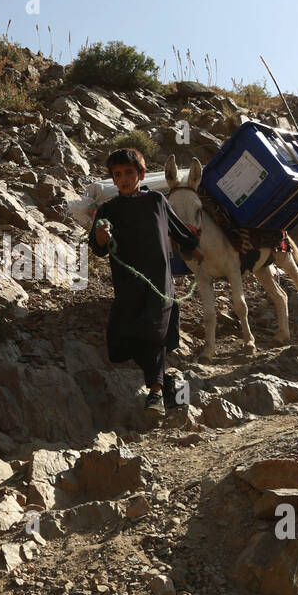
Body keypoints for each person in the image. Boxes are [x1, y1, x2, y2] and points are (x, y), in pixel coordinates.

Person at [88, 148, 201, 418]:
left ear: (140, 173)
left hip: (159, 284)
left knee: (153, 334)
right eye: (118, 175)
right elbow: (97, 248)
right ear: (113, 180)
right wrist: (102, 237)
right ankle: (168, 380)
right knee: (119, 345)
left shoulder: (157, 202)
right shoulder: (108, 210)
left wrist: (197, 250)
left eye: (129, 172)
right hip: (128, 287)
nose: (124, 179)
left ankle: (156, 393)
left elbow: (180, 232)